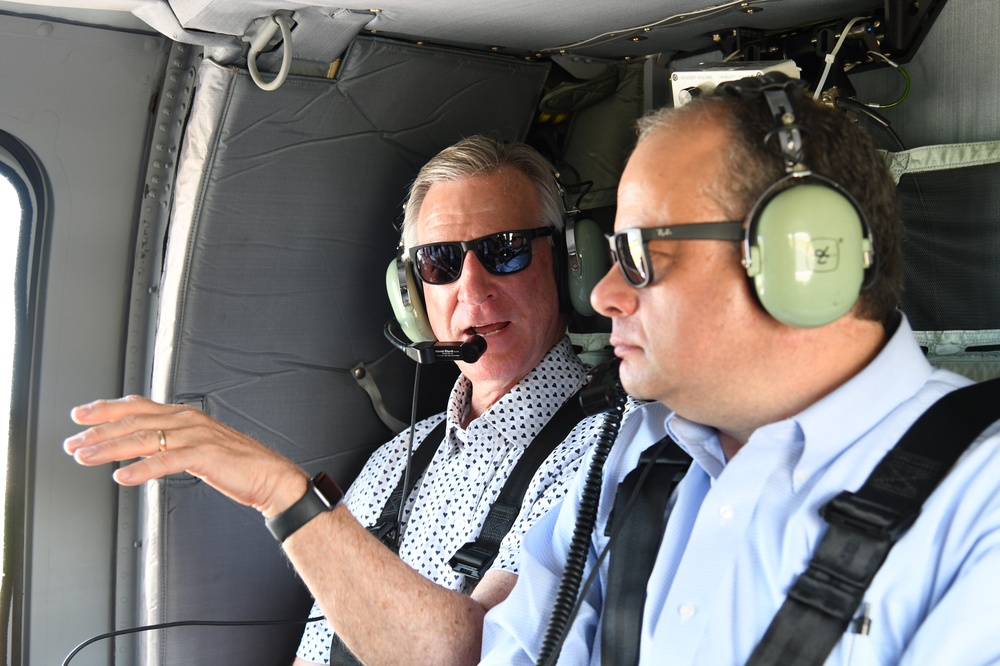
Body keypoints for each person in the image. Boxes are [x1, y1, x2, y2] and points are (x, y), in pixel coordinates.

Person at [480, 76, 1000, 665]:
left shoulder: (980, 504)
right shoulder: (631, 453)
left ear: (802, 258)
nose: (603, 295)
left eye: (639, 255)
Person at [64, 135, 640, 666]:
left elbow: (477, 652)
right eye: (440, 263)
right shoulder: (392, 465)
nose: (472, 288)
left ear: (569, 263)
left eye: (505, 250)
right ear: (413, 295)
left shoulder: (614, 447)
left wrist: (282, 493)